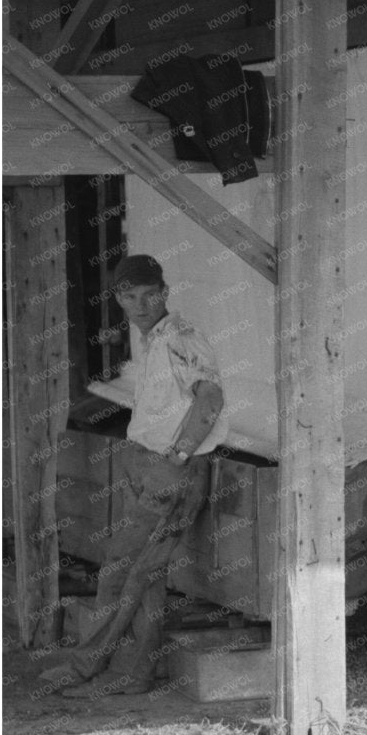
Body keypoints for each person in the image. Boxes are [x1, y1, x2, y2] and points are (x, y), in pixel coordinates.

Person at [59, 255, 227, 698]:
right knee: (142, 576)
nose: (140, 304)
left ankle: (97, 667)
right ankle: (124, 672)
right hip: (148, 466)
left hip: (172, 471)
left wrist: (178, 455)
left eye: (149, 295)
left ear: (164, 292)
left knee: (124, 570)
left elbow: (210, 399)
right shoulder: (151, 340)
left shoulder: (181, 338)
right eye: (129, 297)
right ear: (118, 299)